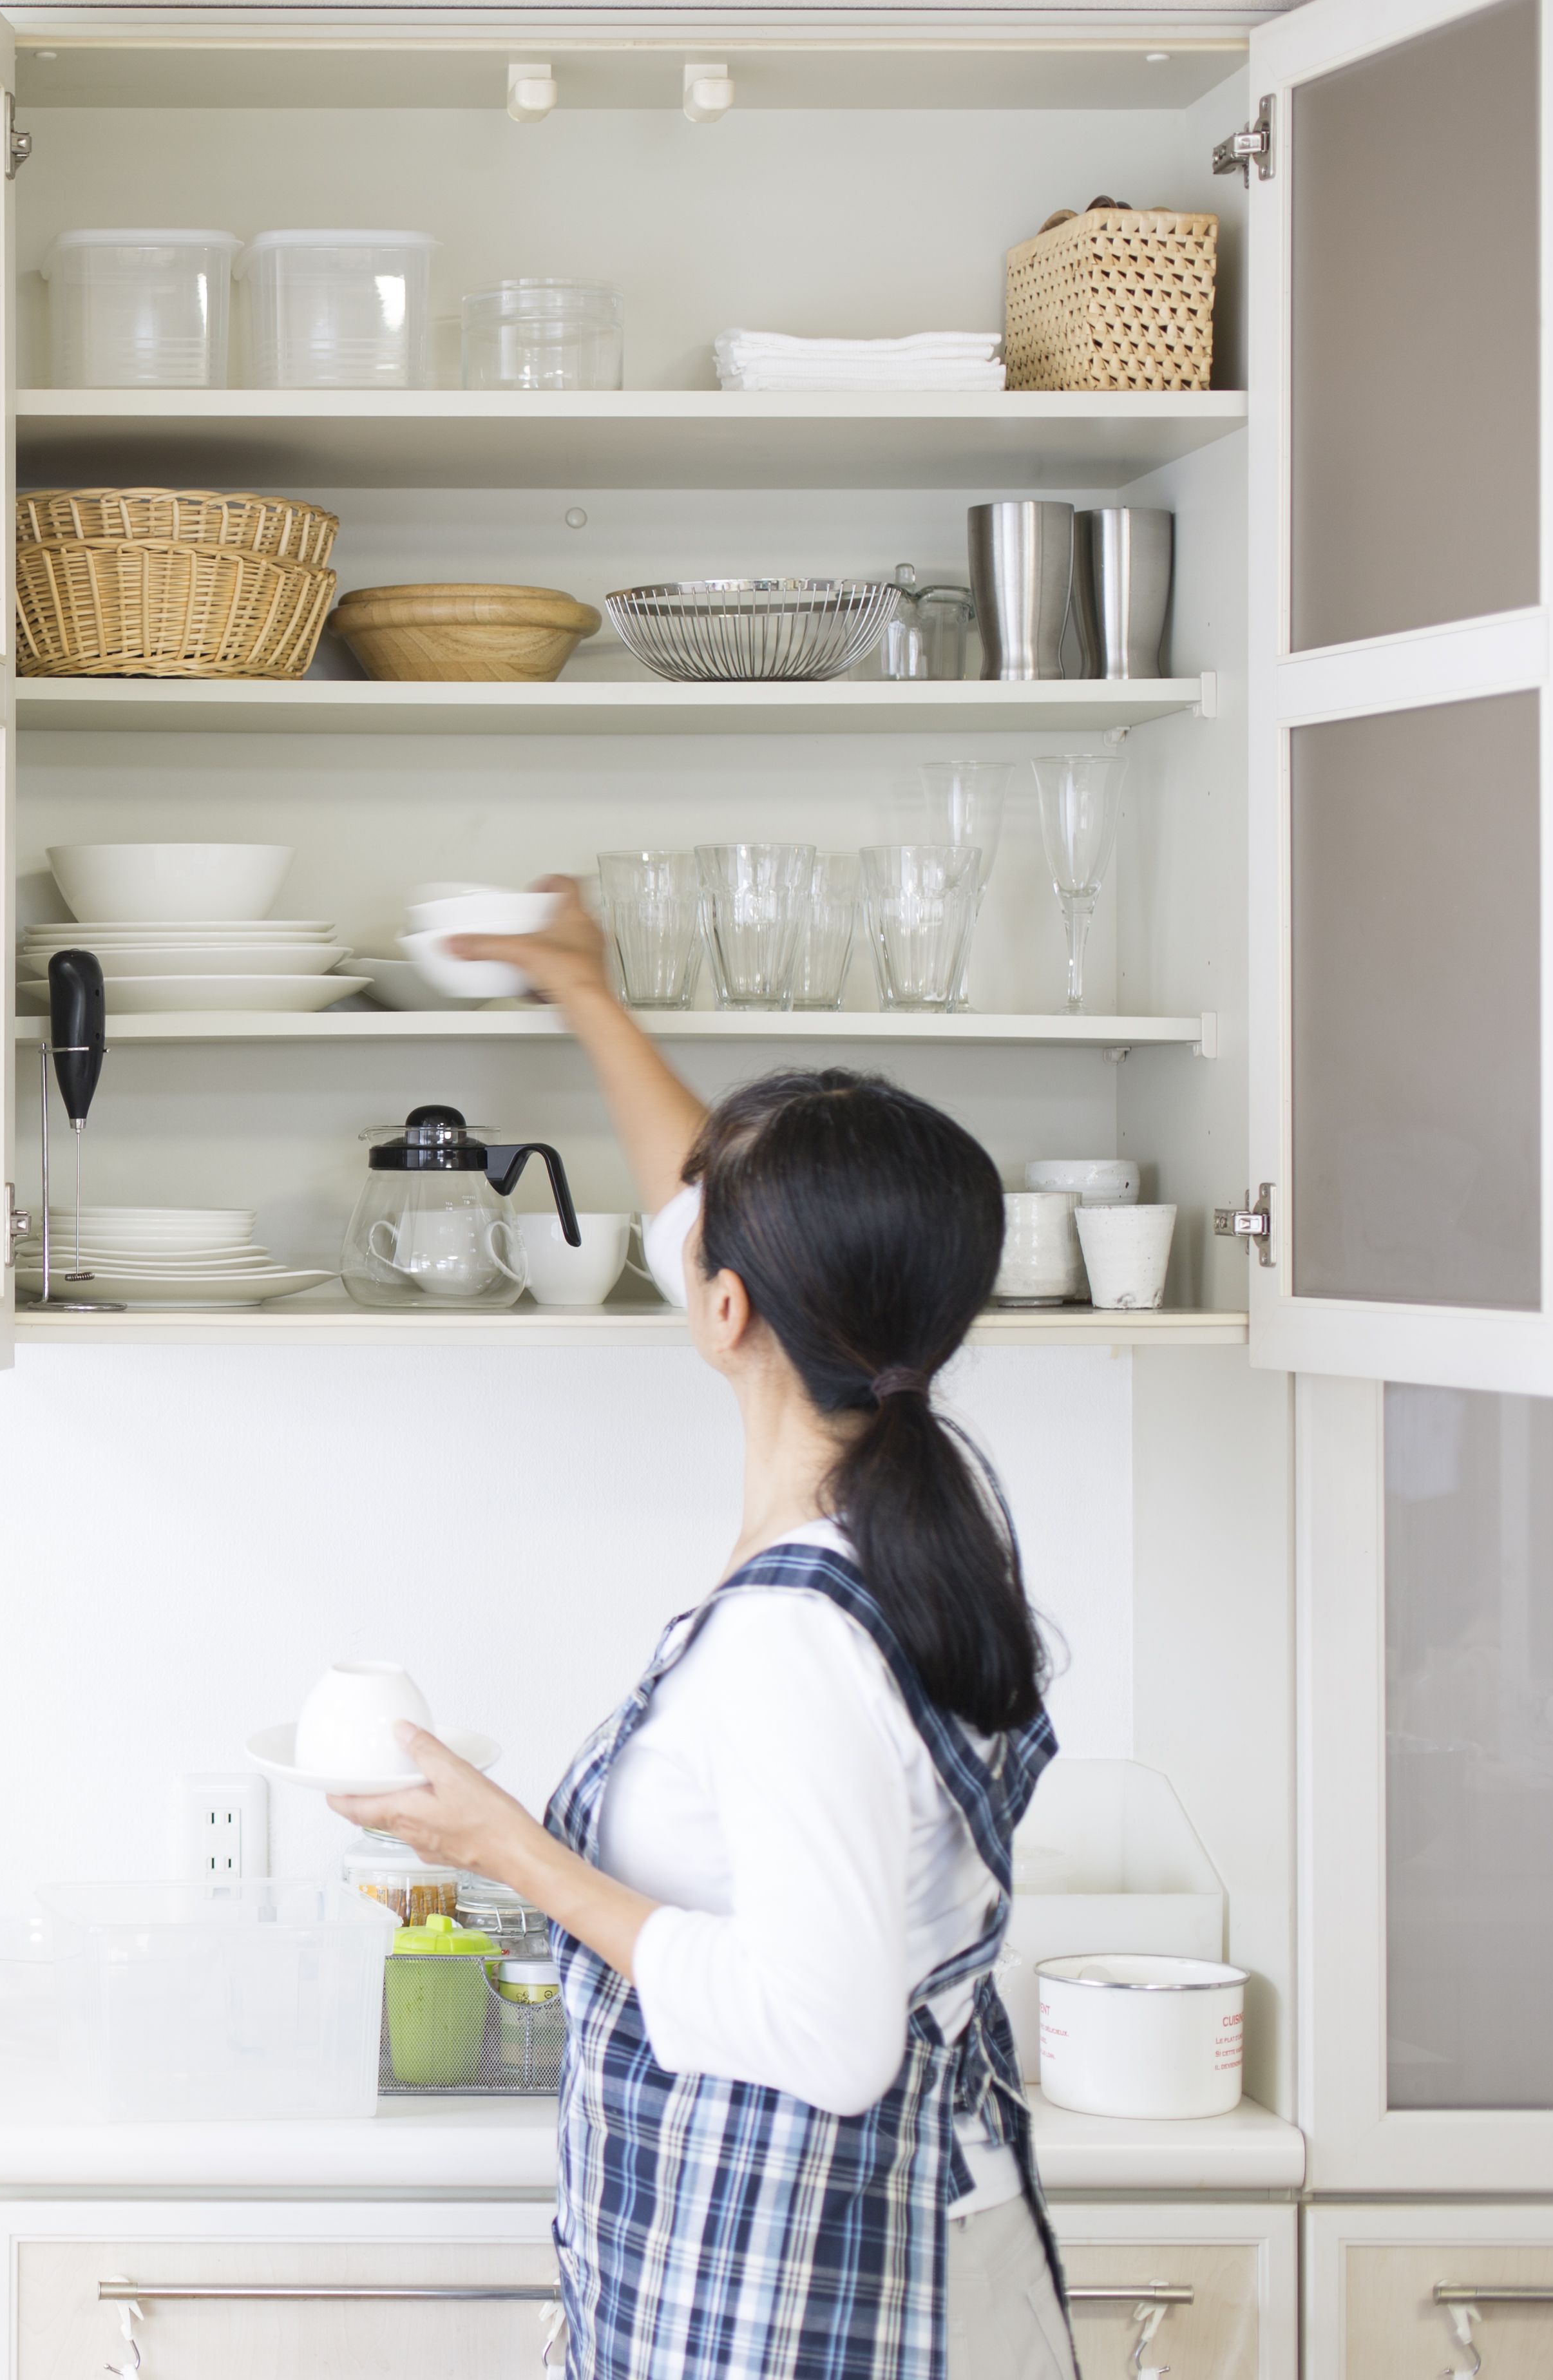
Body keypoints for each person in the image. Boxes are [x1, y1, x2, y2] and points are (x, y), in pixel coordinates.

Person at [342, 877, 1072, 2380]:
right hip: (921, 2259)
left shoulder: (793, 1639)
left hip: (817, 2305)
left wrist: (511, 1855)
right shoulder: (927, 1529)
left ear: (729, 1309)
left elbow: (829, 2034)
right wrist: (585, 993)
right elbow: (707, 1216)